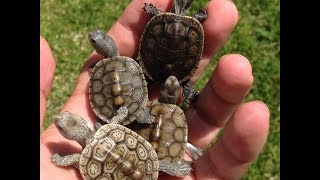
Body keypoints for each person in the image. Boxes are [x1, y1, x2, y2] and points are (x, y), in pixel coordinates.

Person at [40, 0, 270, 179]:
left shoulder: (116, 115)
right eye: (67, 125)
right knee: (140, 116)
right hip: (133, 140)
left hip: (125, 131)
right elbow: (119, 119)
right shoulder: (129, 98)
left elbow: (108, 130)